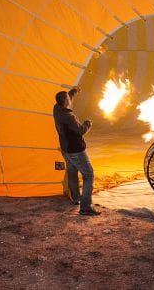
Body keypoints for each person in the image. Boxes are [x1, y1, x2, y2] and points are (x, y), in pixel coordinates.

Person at [53, 86, 100, 216]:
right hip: (76, 150)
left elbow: (66, 96)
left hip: (65, 149)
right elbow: (81, 130)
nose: (70, 99)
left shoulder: (56, 109)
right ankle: (85, 207)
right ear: (65, 102)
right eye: (68, 98)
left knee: (72, 172)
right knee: (89, 174)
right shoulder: (69, 117)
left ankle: (75, 199)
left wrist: (74, 91)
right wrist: (87, 123)